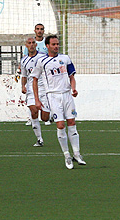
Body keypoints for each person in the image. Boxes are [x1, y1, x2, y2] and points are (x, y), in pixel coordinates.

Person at [31, 35, 86, 169]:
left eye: (57, 44)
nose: (56, 46)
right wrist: (37, 100)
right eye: (54, 44)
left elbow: (71, 76)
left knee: (72, 122)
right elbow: (34, 80)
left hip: (67, 95)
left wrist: (73, 88)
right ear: (47, 46)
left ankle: (77, 154)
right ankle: (67, 155)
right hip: (53, 96)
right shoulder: (41, 61)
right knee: (60, 125)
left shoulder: (65, 58)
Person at [20, 36, 51, 147]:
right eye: (29, 43)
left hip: (43, 89)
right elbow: (24, 75)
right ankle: (39, 139)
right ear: (26, 45)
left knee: (45, 117)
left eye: (33, 42)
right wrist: (23, 86)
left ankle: (49, 114)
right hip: (31, 89)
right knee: (33, 110)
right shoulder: (24, 60)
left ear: (36, 45)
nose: (32, 44)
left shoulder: (43, 57)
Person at [23, 23, 49, 126]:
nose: (39, 31)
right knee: (31, 101)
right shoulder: (29, 44)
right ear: (35, 30)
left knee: (45, 116)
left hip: (43, 79)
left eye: (41, 29)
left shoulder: (46, 43)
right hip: (31, 79)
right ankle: (31, 118)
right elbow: (25, 59)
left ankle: (48, 114)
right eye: (37, 29)